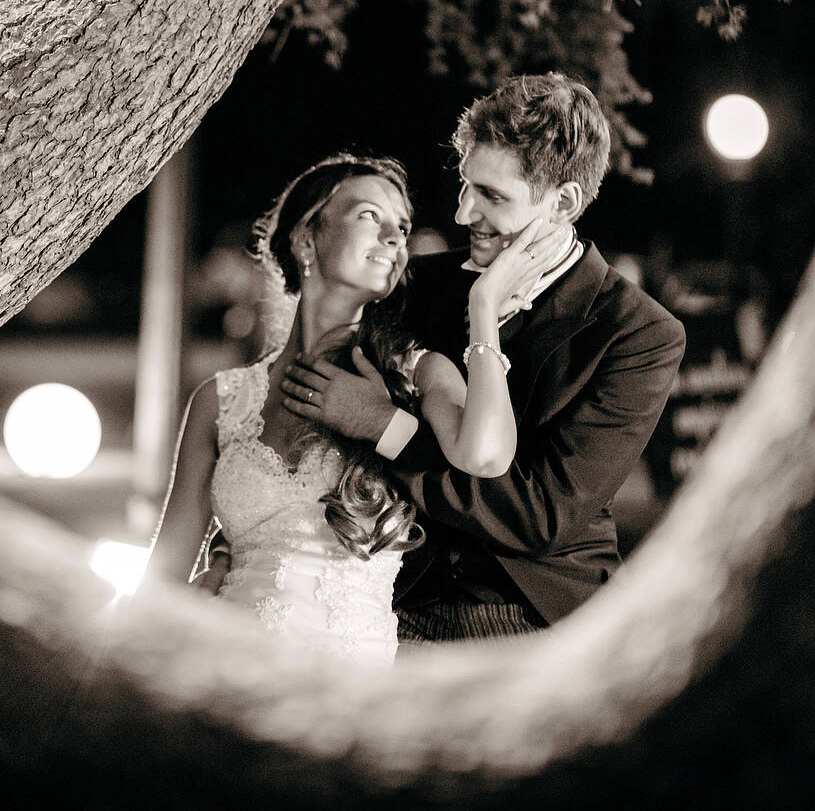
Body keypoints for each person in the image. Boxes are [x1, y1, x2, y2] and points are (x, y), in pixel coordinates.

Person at [282, 73, 687, 643]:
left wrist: (385, 426)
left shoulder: (638, 333)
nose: (462, 212)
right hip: (393, 596)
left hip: (535, 616)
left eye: (493, 196)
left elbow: (541, 516)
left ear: (562, 202)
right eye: (466, 184)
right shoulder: (416, 287)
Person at [144, 153, 566, 663]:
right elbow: (163, 574)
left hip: (348, 689)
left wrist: (484, 305)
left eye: (402, 227)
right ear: (306, 237)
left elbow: (487, 457)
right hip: (227, 674)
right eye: (370, 216)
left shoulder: (419, 375)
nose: (394, 237)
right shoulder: (222, 399)